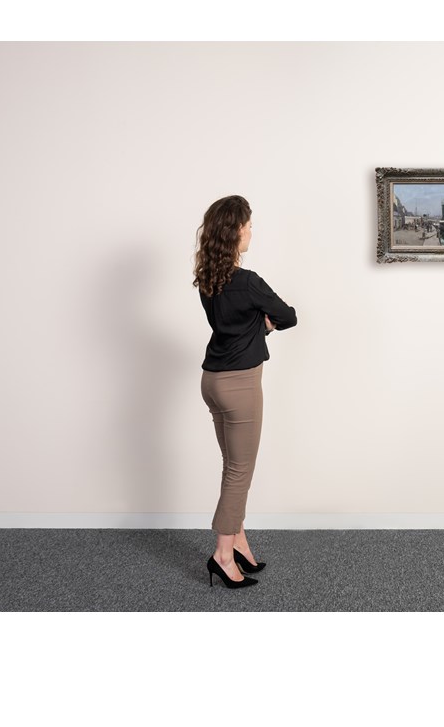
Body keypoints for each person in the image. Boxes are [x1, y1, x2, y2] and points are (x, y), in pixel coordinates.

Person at [192, 195, 298, 589]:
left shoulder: (208, 279)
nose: (252, 232)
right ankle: (222, 554)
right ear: (236, 231)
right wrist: (265, 325)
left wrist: (256, 326)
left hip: (212, 381)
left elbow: (230, 323)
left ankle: (238, 542)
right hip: (240, 384)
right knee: (240, 472)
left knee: (232, 466)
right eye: (249, 225)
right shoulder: (248, 281)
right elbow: (289, 316)